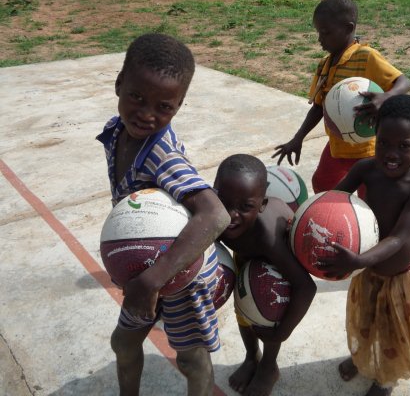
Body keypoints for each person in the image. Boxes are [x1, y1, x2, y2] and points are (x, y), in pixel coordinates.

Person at [96, 33, 231, 396]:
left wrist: (154, 279)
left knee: (190, 359)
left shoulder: (162, 155)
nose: (147, 113)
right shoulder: (115, 132)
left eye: (163, 106)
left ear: (179, 105)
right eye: (137, 97)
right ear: (119, 83)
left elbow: (215, 215)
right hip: (147, 270)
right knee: (124, 343)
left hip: (184, 274)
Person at [318, 94, 410, 396]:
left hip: (402, 276)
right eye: (384, 143)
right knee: (365, 320)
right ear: (375, 138)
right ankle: (362, 357)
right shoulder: (366, 169)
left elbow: (399, 237)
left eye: (404, 146)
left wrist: (358, 261)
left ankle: (385, 379)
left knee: (393, 333)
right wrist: (301, 218)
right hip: (369, 268)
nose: (392, 153)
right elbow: (334, 199)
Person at [273, 0, 410, 195]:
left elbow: (404, 81)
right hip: (337, 146)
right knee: (323, 184)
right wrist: (298, 138)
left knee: (371, 194)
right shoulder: (325, 66)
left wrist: (387, 97)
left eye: (326, 33)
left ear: (348, 28)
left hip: (369, 149)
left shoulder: (366, 57)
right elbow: (319, 106)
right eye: (319, 32)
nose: (320, 39)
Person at [213, 154, 317, 396]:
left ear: (262, 204)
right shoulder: (216, 216)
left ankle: (269, 366)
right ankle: (252, 357)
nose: (231, 214)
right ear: (214, 191)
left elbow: (305, 287)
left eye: (245, 206)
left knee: (269, 312)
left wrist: (283, 331)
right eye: (223, 201)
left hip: (279, 264)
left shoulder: (268, 236)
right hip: (247, 257)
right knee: (243, 311)